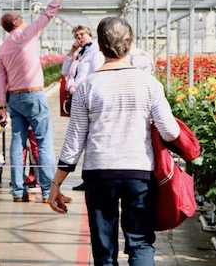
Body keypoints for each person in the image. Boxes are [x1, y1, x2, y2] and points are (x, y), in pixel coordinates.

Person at [47, 17, 181, 266]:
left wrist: (56, 184)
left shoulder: (87, 87)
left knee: (104, 249)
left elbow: (74, 141)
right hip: (138, 172)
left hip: (98, 174)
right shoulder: (149, 84)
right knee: (140, 242)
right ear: (130, 45)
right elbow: (171, 132)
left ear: (99, 45)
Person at [0, 0, 79, 203]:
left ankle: (18, 191)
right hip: (33, 96)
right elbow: (49, 12)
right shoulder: (25, 35)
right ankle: (47, 192)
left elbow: (0, 79)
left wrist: (2, 106)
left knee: (17, 142)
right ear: (17, 22)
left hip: (14, 99)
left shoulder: (3, 49)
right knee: (44, 143)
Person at [60, 25, 104, 191]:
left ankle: (91, 178)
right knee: (82, 137)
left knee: (88, 138)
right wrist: (71, 53)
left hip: (85, 97)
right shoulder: (80, 52)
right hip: (75, 98)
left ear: (89, 35)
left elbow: (96, 73)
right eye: (77, 35)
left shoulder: (95, 51)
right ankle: (87, 178)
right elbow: (65, 72)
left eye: (82, 34)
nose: (79, 38)